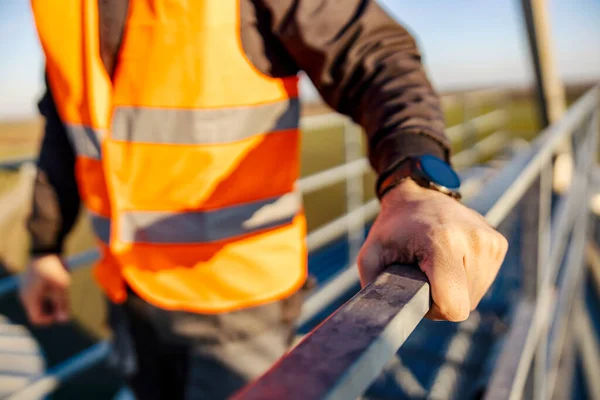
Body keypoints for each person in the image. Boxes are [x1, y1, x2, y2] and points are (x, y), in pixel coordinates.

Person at [19, 0, 508, 398]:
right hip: (128, 295)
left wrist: (416, 184)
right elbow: (64, 129)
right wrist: (44, 248)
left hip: (238, 304)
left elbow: (373, 55)